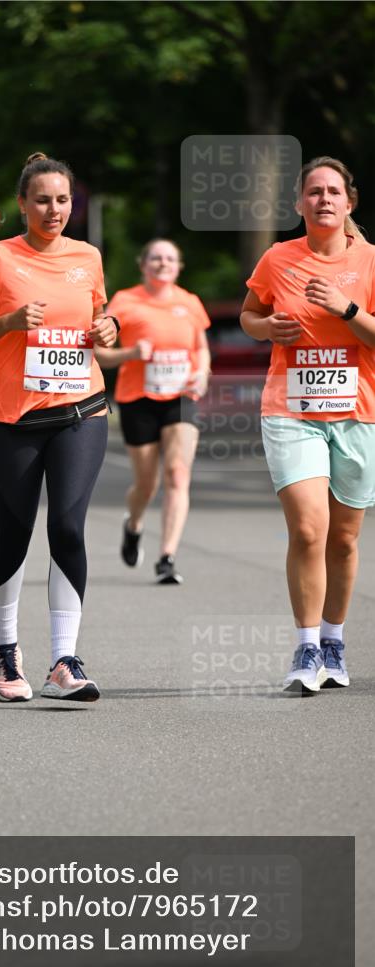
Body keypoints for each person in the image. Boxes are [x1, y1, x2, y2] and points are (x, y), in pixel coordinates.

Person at [0, 152, 118, 703]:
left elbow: (99, 320)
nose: (54, 210)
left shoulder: (88, 256)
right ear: (21, 205)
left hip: (81, 409)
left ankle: (65, 661)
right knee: (14, 533)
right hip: (11, 419)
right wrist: (8, 322)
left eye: (63, 200)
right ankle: (5, 650)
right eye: (43, 200)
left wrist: (108, 329)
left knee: (68, 526)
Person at [240, 156, 375, 694]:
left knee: (343, 538)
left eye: (332, 192)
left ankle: (334, 640)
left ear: (349, 203)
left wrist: (346, 309)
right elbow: (251, 314)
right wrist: (264, 325)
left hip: (358, 412)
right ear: (298, 204)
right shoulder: (278, 259)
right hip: (290, 409)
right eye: (313, 191)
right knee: (308, 527)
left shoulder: (369, 261)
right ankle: (306, 645)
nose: (323, 199)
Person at [95, 240, 211, 584]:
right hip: (138, 398)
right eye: (156, 258)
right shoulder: (125, 302)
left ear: (179, 266)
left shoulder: (189, 302)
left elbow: (201, 348)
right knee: (147, 484)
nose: (163, 263)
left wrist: (202, 373)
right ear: (143, 265)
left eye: (170, 258)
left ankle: (167, 557)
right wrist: (130, 353)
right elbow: (102, 355)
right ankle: (133, 524)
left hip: (181, 396)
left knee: (177, 474)